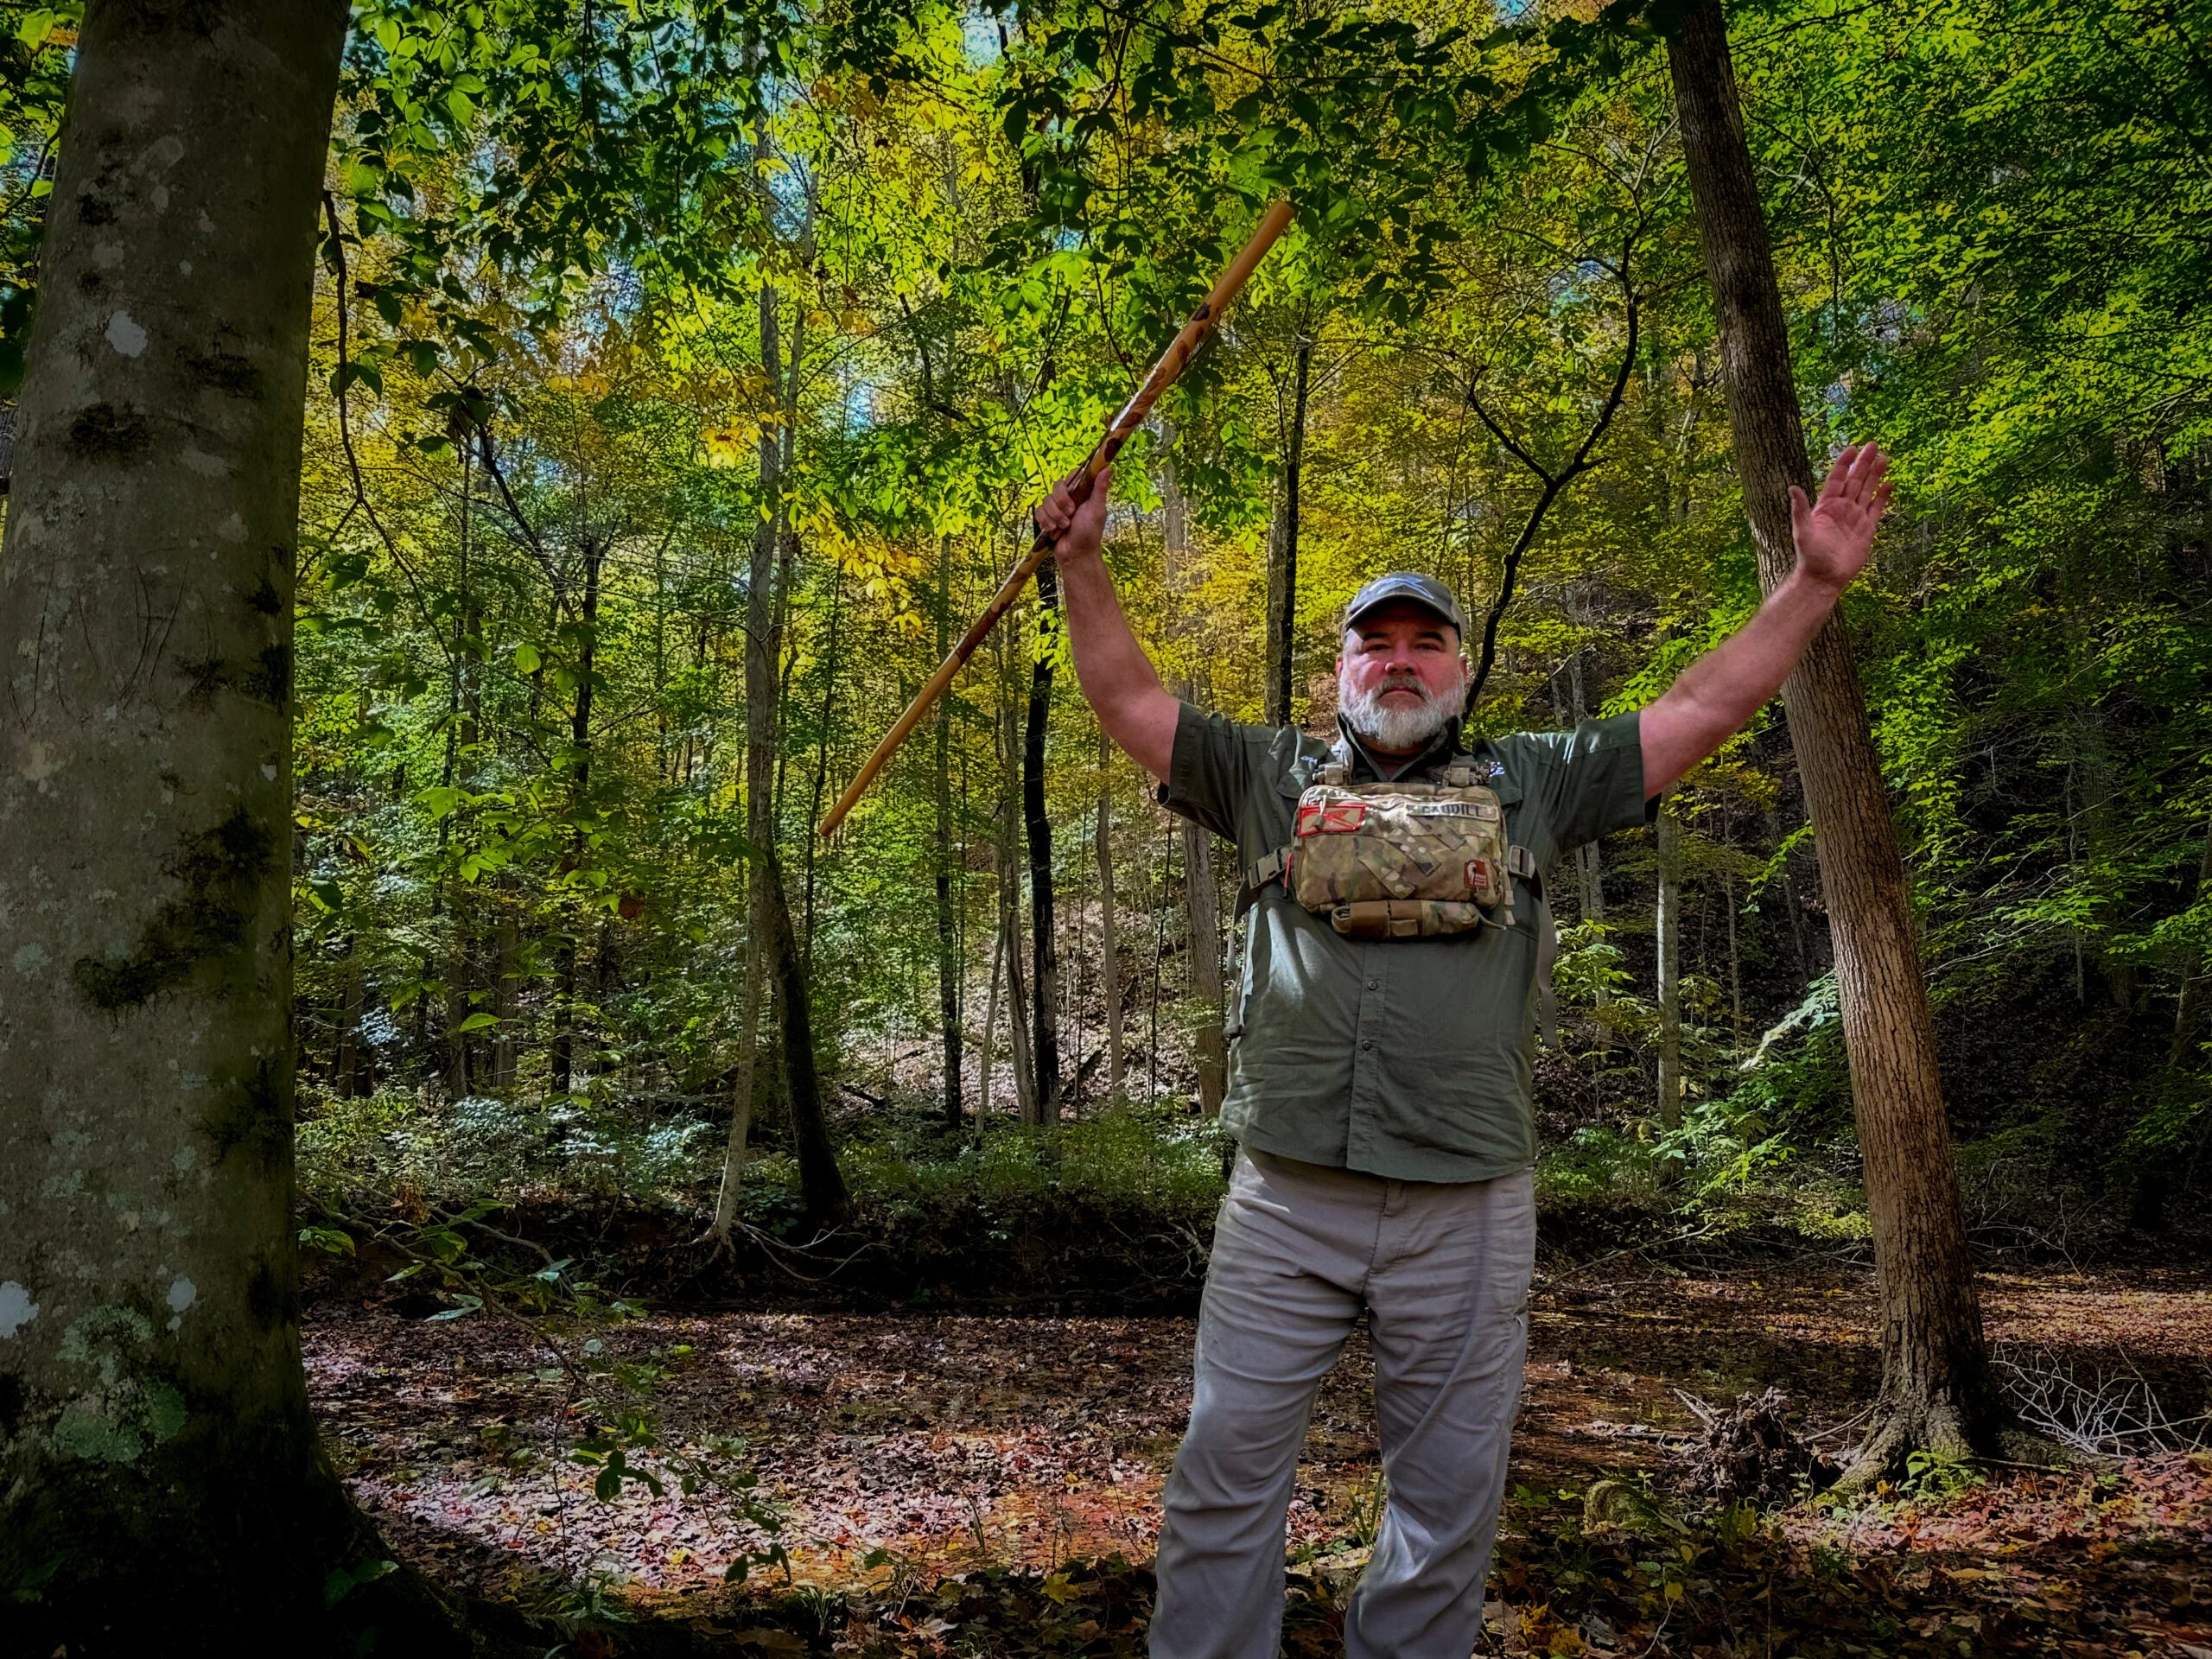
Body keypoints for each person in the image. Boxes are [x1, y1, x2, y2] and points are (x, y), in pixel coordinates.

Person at [1033, 442, 1893, 1659]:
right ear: (1339, 670)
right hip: (1285, 1197)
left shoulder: (1536, 781)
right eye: (1373, 644)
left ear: (1461, 669)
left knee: (1444, 1510)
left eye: (1422, 642)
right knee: (1225, 1478)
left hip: (1470, 1205)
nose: (1397, 661)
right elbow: (1125, 698)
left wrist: (1811, 585)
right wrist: (1079, 563)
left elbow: (1704, 707)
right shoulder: (1265, 774)